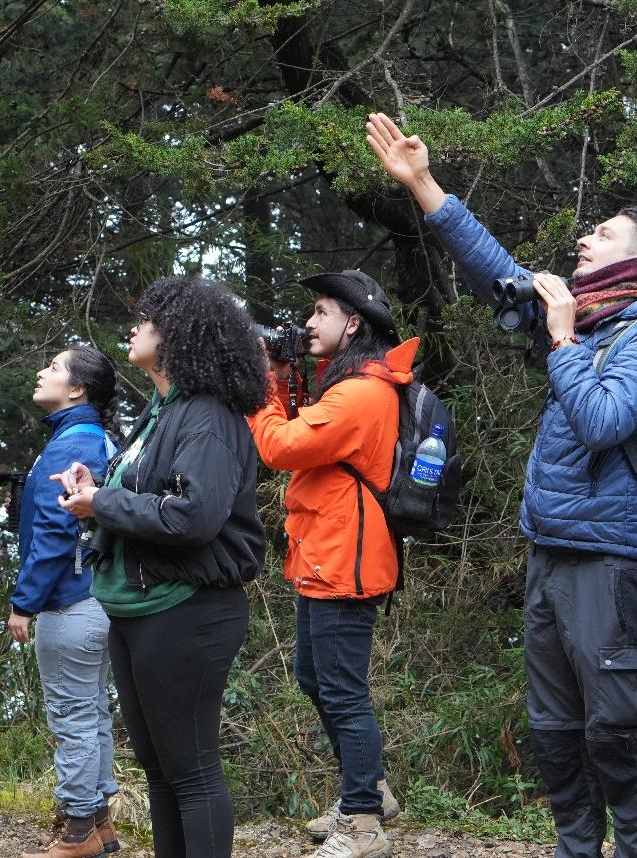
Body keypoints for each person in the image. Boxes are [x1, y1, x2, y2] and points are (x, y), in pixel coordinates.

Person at [367, 112, 637, 857]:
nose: (584, 239)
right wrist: (423, 183)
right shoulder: (589, 320)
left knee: (616, 731)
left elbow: (604, 420)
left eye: (605, 234)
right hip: (552, 550)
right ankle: (575, 849)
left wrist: (558, 338)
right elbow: (494, 264)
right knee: (555, 733)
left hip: (609, 563)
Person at [57, 276, 268, 858]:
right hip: (137, 610)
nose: (134, 326)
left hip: (188, 610)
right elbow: (147, 497)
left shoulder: (207, 416)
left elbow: (194, 517)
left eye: (147, 319)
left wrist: (102, 503)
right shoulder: (161, 412)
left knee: (192, 770)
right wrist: (93, 492)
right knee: (158, 768)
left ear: (175, 336)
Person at [247, 271, 412, 858]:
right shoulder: (346, 384)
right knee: (316, 679)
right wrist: (286, 383)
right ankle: (368, 791)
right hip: (326, 553)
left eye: (321, 311)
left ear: (354, 323)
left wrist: (265, 384)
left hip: (347, 560)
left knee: (341, 690)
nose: (309, 323)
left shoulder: (362, 393)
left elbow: (280, 447)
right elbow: (299, 435)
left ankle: (364, 822)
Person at [9, 345, 121, 858]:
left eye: (53, 367)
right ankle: (99, 823)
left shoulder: (69, 443)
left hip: (69, 601)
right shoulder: (96, 437)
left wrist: (24, 603)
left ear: (76, 389)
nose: (41, 371)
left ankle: (76, 833)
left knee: (72, 715)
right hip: (97, 598)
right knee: (92, 711)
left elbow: (55, 536)